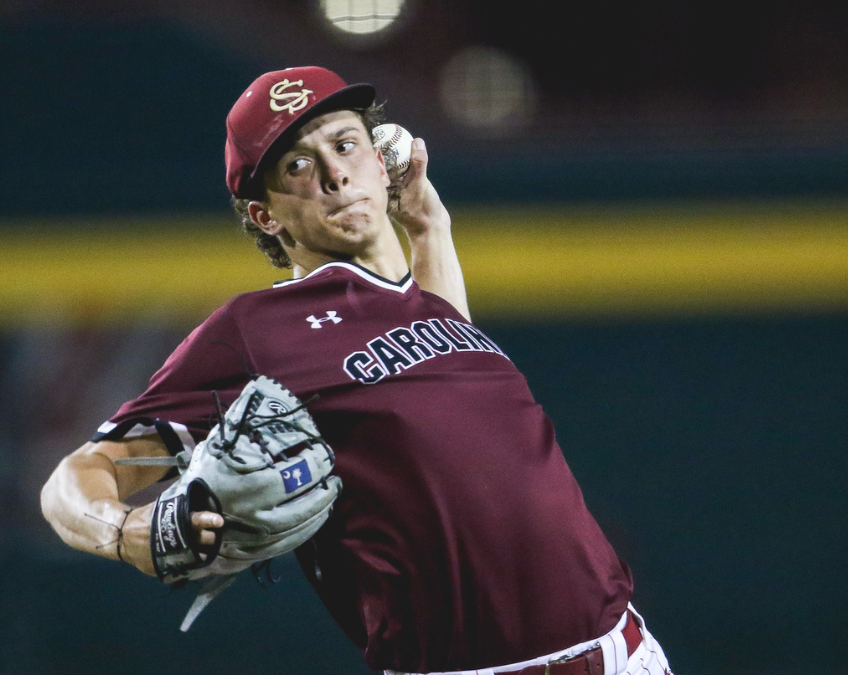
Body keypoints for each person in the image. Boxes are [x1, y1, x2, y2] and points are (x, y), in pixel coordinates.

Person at [41, 66, 673, 675]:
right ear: (265, 215)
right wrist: (125, 529)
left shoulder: (425, 307)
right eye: (298, 166)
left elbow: (443, 379)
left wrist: (429, 226)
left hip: (628, 650)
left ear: (380, 159)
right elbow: (74, 477)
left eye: (346, 145)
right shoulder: (257, 328)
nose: (335, 175)